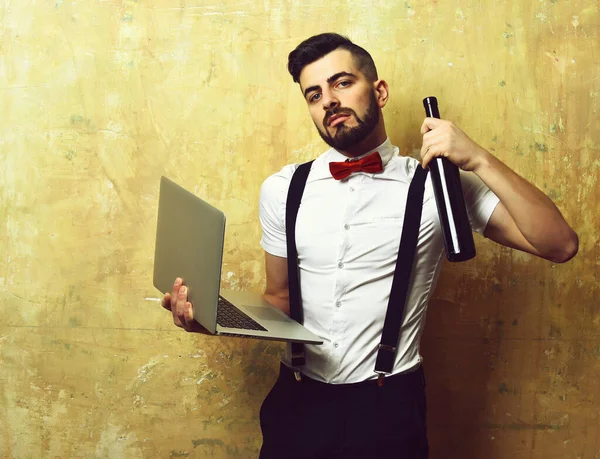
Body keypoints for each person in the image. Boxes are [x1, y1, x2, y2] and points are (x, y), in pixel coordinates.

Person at [161, 33, 578, 458]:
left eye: (342, 83)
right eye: (314, 93)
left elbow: (559, 244)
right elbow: (280, 298)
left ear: (379, 92)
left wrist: (478, 159)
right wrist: (213, 318)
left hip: (389, 407)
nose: (328, 100)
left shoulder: (439, 184)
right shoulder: (283, 188)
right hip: (298, 403)